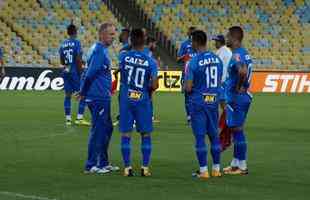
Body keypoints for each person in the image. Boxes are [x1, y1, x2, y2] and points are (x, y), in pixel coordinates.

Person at [79, 23, 119, 174]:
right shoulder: (99, 51)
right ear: (102, 34)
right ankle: (91, 165)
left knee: (107, 127)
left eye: (114, 34)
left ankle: (103, 162)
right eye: (110, 34)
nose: (113, 37)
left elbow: (88, 71)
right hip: (97, 96)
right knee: (98, 130)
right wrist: (83, 91)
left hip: (101, 95)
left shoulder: (98, 49)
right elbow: (90, 73)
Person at [118, 28, 158, 177]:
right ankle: (144, 168)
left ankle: (127, 168)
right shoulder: (151, 61)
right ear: (144, 41)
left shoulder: (123, 57)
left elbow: (122, 75)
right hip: (142, 100)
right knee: (146, 134)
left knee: (126, 134)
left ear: (131, 40)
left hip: (126, 99)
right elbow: (154, 85)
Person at [184, 30, 223, 179]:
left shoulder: (193, 62)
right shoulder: (217, 59)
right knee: (214, 136)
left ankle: (204, 171)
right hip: (213, 102)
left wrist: (186, 88)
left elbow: (188, 87)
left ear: (194, 42)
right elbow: (218, 81)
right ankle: (216, 169)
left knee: (200, 137)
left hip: (198, 103)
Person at [223, 26, 253, 175]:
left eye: (228, 36)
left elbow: (242, 71)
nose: (226, 39)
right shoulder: (244, 53)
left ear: (234, 38)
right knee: (235, 130)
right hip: (243, 97)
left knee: (238, 130)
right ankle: (235, 163)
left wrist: (238, 86)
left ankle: (242, 166)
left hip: (237, 98)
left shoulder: (237, 55)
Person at [59, 24, 90, 126]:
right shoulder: (77, 43)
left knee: (67, 95)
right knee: (83, 94)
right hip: (74, 72)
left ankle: (68, 119)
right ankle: (79, 118)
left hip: (65, 71)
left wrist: (71, 63)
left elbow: (62, 61)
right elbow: (77, 59)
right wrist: (81, 72)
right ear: (75, 32)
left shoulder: (63, 44)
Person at [177, 26, 197, 124]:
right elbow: (178, 58)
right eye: (191, 33)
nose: (192, 34)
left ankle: (196, 115)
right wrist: (184, 57)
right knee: (187, 96)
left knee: (197, 94)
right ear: (188, 34)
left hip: (198, 75)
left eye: (194, 33)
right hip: (186, 74)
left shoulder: (198, 44)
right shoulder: (184, 44)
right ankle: (189, 116)